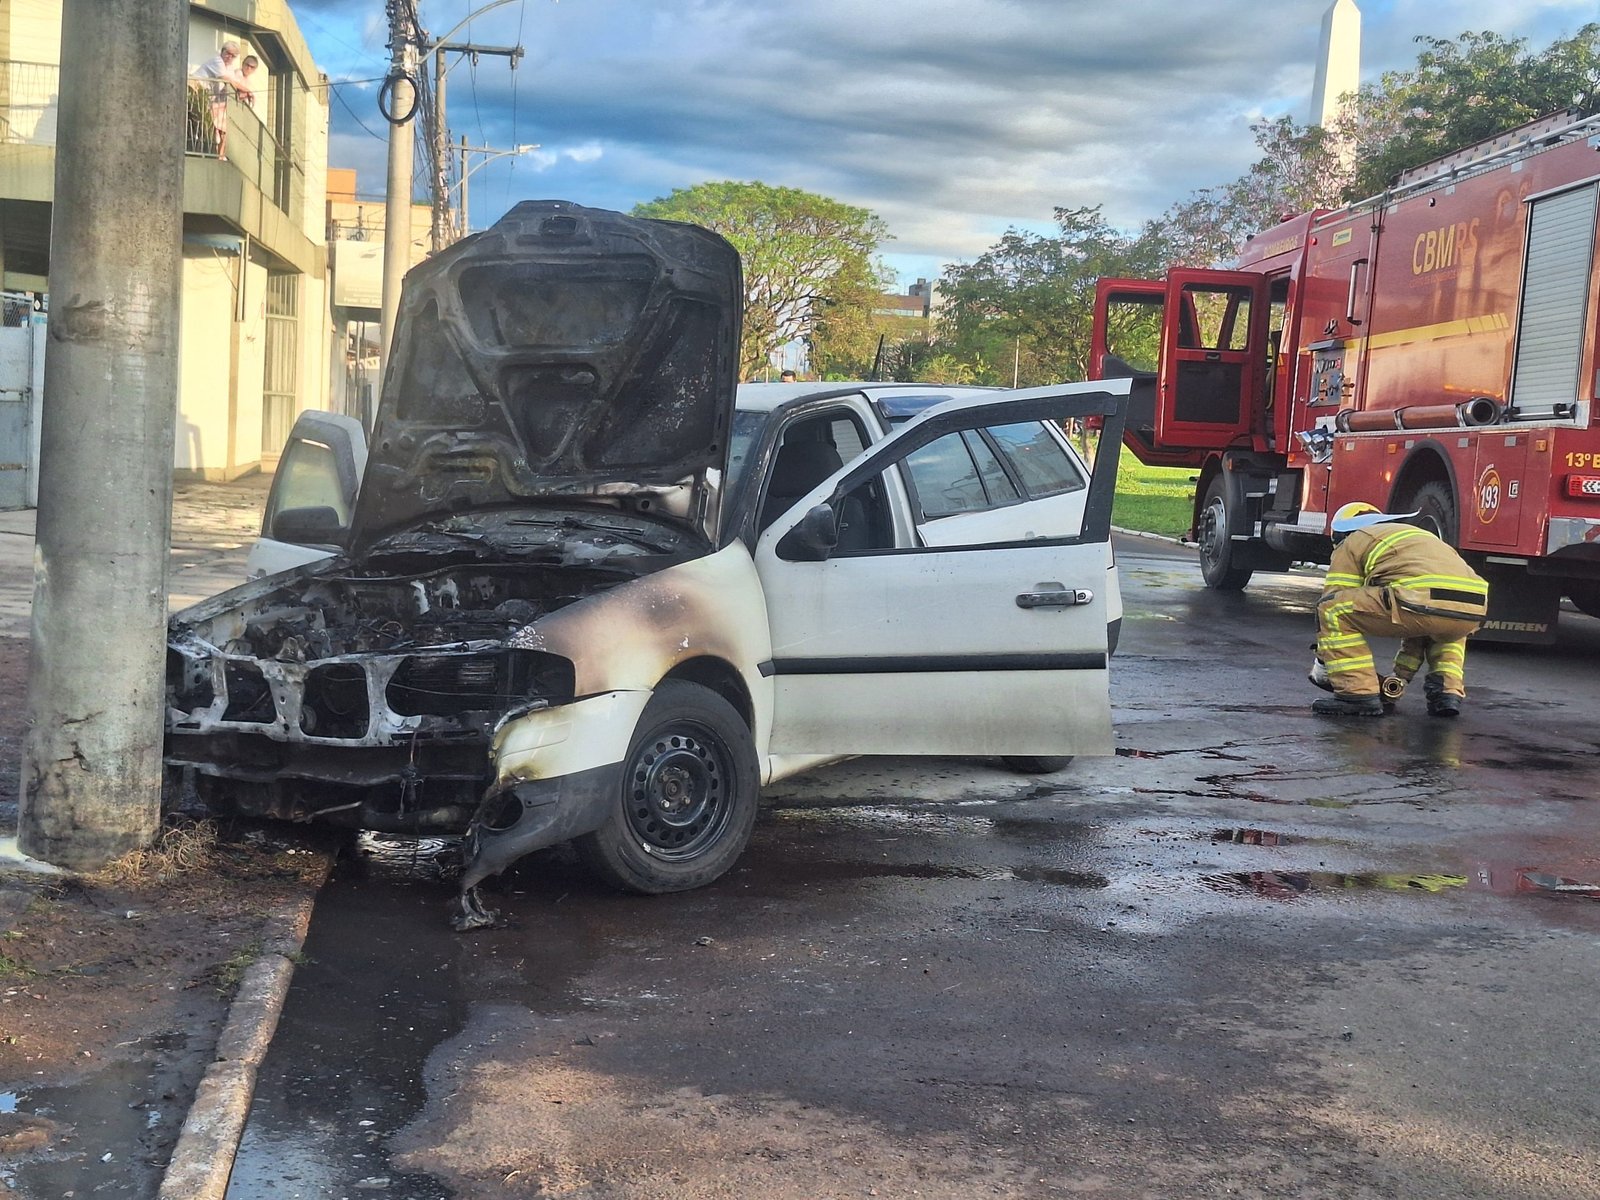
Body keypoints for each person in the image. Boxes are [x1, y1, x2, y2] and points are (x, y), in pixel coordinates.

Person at [1310, 501, 1488, 718]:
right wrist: (1399, 679)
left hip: (1419, 598)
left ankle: (1357, 694)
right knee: (1442, 623)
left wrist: (1325, 657)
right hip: (1473, 607)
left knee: (1331, 609)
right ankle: (1446, 693)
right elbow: (1418, 629)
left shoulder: (1354, 539)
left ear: (1340, 533)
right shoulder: (1414, 537)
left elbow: (1335, 593)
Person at [195, 41, 242, 156]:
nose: (229, 57)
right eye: (228, 53)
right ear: (222, 51)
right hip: (195, 90)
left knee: (207, 125)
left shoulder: (229, 68)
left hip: (204, 98)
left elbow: (231, 85)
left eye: (233, 56)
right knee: (202, 124)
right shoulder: (217, 61)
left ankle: (211, 152)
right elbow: (227, 80)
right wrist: (245, 89)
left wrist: (240, 91)